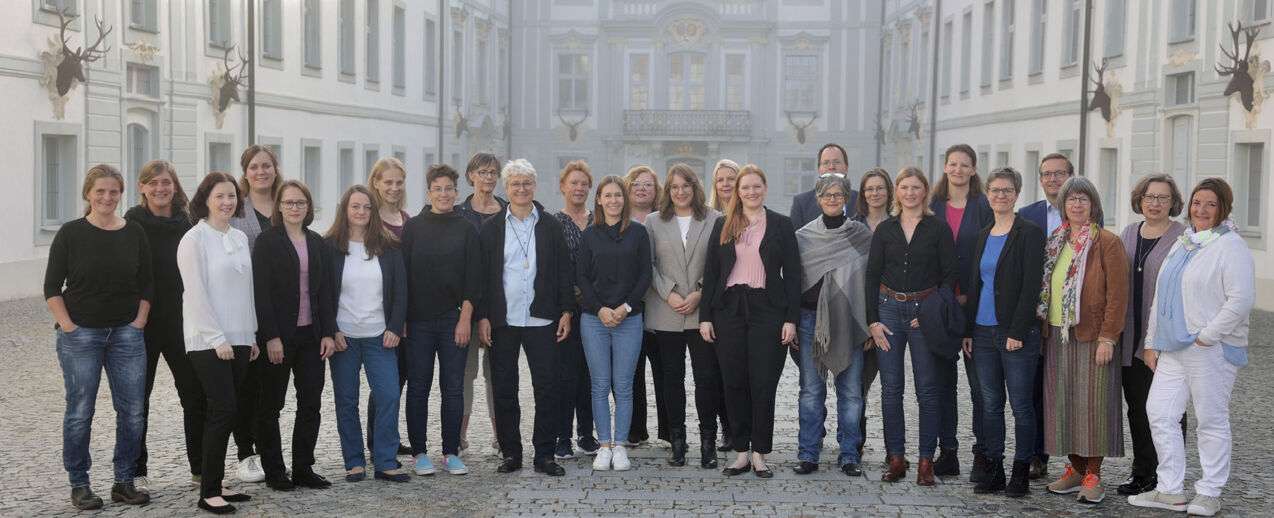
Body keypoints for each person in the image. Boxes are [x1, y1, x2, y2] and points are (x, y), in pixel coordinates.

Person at [1130, 178, 1255, 517]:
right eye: (1197, 202)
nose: (1201, 210)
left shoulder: (1231, 246)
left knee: (1211, 421)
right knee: (1159, 413)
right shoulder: (1186, 242)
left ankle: (1210, 491)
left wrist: (1208, 335)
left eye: (1210, 204)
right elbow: (1161, 294)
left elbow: (1241, 299)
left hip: (1209, 349)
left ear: (1223, 209)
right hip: (1172, 349)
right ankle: (1170, 489)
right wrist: (1152, 342)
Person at [44, 164, 153, 510]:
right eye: (100, 191)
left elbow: (148, 284)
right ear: (88, 194)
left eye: (113, 191)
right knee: (80, 411)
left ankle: (124, 481)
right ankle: (80, 484)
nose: (107, 197)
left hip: (127, 334)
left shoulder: (134, 232)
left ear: (121, 194)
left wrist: (138, 323)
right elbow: (51, 287)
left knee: (133, 411)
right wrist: (69, 326)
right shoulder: (71, 233)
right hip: (81, 336)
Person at [699, 164, 802, 479]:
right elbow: (712, 273)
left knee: (763, 383)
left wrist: (791, 319)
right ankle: (741, 452)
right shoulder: (723, 224)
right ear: (737, 192)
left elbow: (795, 276)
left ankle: (760, 453)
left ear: (765, 188)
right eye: (745, 187)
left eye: (756, 186)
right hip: (729, 309)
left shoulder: (782, 225)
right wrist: (705, 318)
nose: (751, 192)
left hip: (767, 309)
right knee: (734, 382)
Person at [476, 159, 574, 476]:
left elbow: (563, 272)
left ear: (535, 186)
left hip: (542, 318)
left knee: (548, 387)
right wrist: (484, 317)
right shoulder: (491, 228)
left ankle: (544, 453)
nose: (521, 189)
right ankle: (510, 453)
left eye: (527, 183)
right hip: (503, 320)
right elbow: (484, 277)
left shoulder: (550, 225)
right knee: (505, 387)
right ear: (506, 188)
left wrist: (567, 311)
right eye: (515, 184)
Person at [1038, 176, 1129, 504]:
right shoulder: (1056, 240)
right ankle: (1075, 470)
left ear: (1094, 205)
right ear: (1062, 205)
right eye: (1071, 199)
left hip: (1093, 336)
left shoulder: (1107, 241)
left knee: (1093, 407)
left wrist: (1108, 337)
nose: (1077, 205)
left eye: (1083, 199)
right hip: (1058, 336)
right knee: (1064, 405)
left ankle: (1094, 475)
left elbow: (1118, 296)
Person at [866, 167, 957, 485]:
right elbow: (872, 276)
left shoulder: (938, 229)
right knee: (891, 390)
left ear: (925, 191)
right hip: (888, 312)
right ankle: (896, 458)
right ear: (897, 192)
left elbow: (950, 277)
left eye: (915, 187)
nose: (909, 192)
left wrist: (933, 313)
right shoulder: (885, 230)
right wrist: (872, 321)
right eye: (903, 187)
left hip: (923, 313)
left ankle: (925, 462)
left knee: (928, 391)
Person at [177, 172, 260, 514]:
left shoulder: (239, 237)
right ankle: (208, 490)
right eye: (219, 196)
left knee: (229, 411)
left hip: (241, 338)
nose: (227, 202)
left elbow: (246, 291)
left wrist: (251, 335)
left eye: (231, 196)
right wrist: (217, 339)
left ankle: (216, 481)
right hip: (208, 341)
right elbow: (195, 294)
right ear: (205, 200)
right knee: (221, 408)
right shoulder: (194, 239)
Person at [962, 168, 1046, 497]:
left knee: (1022, 406)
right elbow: (975, 284)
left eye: (1007, 190)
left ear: (1016, 194)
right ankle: (994, 469)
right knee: (991, 405)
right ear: (987, 194)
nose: (1001, 196)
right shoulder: (984, 233)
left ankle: (1021, 471)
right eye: (995, 190)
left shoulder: (1030, 232)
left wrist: (1019, 330)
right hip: (982, 333)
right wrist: (968, 329)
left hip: (1015, 334)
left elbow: (1031, 285)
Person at [251, 180, 337, 491]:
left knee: (310, 402)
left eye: (300, 203)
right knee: (271, 405)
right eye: (288, 203)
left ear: (308, 207)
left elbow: (324, 292)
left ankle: (304, 467)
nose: (294, 208)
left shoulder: (317, 243)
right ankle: (275, 470)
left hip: (311, 336)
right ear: (279, 207)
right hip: (279, 338)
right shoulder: (267, 242)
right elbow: (260, 293)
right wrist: (270, 336)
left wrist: (327, 332)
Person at [124, 160, 203, 491]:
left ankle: (201, 468)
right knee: (137, 399)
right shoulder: (131, 222)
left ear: (175, 186)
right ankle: (136, 470)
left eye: (166, 182)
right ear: (142, 187)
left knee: (195, 395)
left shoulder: (190, 222)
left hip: (183, 320)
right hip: (141, 321)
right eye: (153, 182)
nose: (160, 188)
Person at [325, 185, 410, 483]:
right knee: (346, 401)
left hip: (380, 337)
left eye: (366, 207)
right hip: (344, 339)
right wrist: (331, 330)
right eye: (355, 206)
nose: (361, 212)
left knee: (388, 396)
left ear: (374, 212)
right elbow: (322, 295)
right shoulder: (330, 247)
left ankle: (385, 461)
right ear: (345, 210)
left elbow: (401, 292)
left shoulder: (388, 246)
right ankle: (355, 462)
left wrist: (394, 327)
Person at [400, 166, 480, 477]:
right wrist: (403, 319)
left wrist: (466, 319)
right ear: (429, 192)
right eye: (438, 188)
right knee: (418, 387)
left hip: (453, 320)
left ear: (456, 192)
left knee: (453, 388)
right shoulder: (414, 228)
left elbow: (474, 278)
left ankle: (450, 451)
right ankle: (419, 452)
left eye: (449, 188)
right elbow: (403, 276)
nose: (444, 194)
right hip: (417, 321)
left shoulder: (467, 228)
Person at [646, 164, 727, 469]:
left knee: (706, 377)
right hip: (666, 310)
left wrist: (700, 293)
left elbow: (721, 264)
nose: (680, 192)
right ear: (668, 191)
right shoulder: (654, 222)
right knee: (672, 377)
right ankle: (677, 440)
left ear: (695, 187)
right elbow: (649, 265)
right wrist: (670, 294)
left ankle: (709, 441)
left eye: (686, 186)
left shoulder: (715, 219)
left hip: (702, 311)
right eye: (674, 187)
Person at [792, 174, 873, 478]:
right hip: (809, 319)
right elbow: (792, 282)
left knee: (851, 392)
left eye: (838, 195)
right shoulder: (803, 237)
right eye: (827, 195)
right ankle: (808, 454)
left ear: (847, 198)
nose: (832, 199)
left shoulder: (861, 236)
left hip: (849, 320)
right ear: (818, 198)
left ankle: (850, 454)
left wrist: (867, 324)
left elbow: (868, 283)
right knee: (811, 391)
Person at [1115, 174, 1187, 496]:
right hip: (1130, 337)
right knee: (1136, 408)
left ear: (1173, 202)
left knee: (1168, 410)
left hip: (1164, 340)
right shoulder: (1129, 232)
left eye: (1163, 197)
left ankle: (1167, 476)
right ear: (1139, 200)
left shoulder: (1184, 237)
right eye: (1149, 196)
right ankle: (1142, 472)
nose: (1155, 203)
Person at [578, 176, 653, 471]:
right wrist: (600, 309)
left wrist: (625, 306)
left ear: (625, 199)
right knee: (599, 385)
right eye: (607, 195)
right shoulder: (589, 234)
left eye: (617, 195)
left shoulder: (638, 233)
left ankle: (621, 445)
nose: (612, 200)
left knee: (623, 385)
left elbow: (645, 274)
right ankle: (604, 446)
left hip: (629, 318)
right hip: (594, 318)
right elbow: (582, 276)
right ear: (598, 200)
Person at [930, 144, 993, 482]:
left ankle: (982, 454)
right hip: (939, 307)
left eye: (964, 165)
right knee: (943, 385)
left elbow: (988, 254)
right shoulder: (933, 205)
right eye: (952, 164)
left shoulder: (983, 206)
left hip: (974, 304)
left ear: (973, 170)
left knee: (979, 385)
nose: (957, 170)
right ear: (944, 167)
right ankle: (948, 452)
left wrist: (969, 295)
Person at [1017, 152, 1075, 480]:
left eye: (1059, 173)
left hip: (1071, 317)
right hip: (1036, 316)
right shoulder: (1027, 215)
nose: (1053, 179)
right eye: (1047, 174)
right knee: (1035, 388)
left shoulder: (1086, 212)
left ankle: (1075, 460)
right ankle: (1037, 455)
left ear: (1071, 175)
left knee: (1069, 389)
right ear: (1040, 179)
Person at [228, 144, 283, 482]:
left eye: (266, 165)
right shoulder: (235, 206)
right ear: (245, 172)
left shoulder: (287, 202)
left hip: (279, 309)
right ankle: (245, 453)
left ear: (275, 169)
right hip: (242, 306)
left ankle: (268, 450)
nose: (261, 171)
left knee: (271, 387)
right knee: (245, 385)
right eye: (254, 166)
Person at [458, 151, 507, 453]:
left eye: (493, 172)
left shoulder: (509, 210)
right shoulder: (459, 212)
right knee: (464, 373)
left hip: (501, 304)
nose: (488, 177)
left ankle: (500, 436)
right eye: (482, 171)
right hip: (465, 305)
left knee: (497, 373)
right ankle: (460, 437)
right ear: (471, 175)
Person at [365, 157, 412, 456]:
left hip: (406, 312)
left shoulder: (407, 219)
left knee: (400, 379)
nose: (394, 188)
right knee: (384, 383)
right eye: (388, 182)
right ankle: (376, 441)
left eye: (398, 182)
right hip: (379, 313)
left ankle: (390, 437)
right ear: (376, 184)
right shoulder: (370, 220)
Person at [552, 161, 599, 459]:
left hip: (596, 308)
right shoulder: (553, 223)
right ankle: (562, 437)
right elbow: (552, 267)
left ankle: (586, 433)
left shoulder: (600, 221)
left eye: (584, 183)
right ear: (563, 187)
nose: (579, 188)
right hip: (566, 308)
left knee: (591, 374)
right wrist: (569, 297)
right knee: (565, 374)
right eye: (574, 183)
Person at [623, 165, 668, 447]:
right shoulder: (619, 219)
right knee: (631, 373)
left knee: (664, 372)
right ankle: (635, 429)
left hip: (661, 306)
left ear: (656, 190)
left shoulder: (665, 220)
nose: (641, 189)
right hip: (629, 309)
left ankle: (668, 430)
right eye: (636, 184)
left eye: (648, 184)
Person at [851, 168, 892, 457]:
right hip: (857, 311)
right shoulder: (852, 227)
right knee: (858, 383)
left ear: (889, 191)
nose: (875, 193)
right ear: (862, 194)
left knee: (891, 384)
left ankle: (895, 448)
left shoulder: (900, 225)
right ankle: (856, 440)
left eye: (879, 188)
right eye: (869, 189)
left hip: (890, 312)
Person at [788, 143, 859, 228]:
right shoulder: (802, 203)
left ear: (846, 168)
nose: (831, 167)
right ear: (819, 169)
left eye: (837, 162)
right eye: (826, 163)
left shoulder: (860, 200)